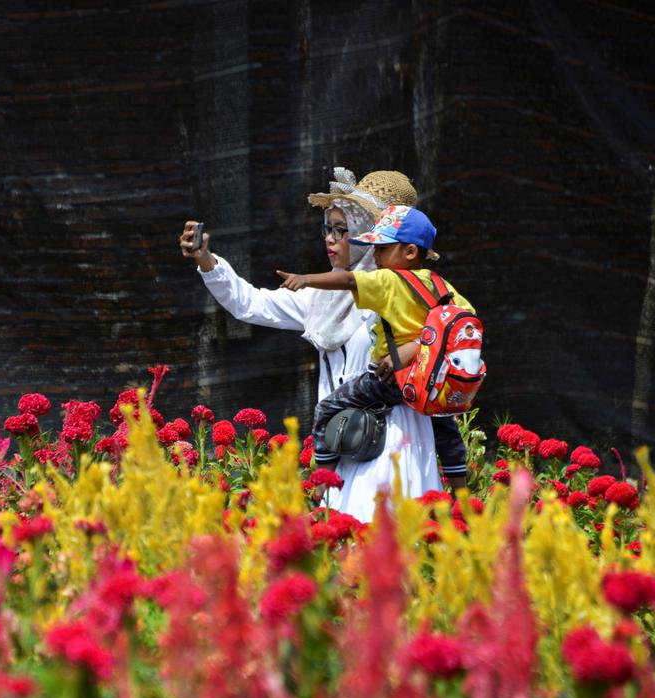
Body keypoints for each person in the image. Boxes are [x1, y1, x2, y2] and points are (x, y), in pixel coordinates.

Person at [179, 169, 440, 521]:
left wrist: (408, 354)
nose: (330, 240)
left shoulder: (405, 294)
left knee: (383, 543)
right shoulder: (321, 298)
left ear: (368, 236)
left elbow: (442, 340)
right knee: (342, 549)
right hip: (344, 439)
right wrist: (205, 260)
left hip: (392, 437)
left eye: (341, 230)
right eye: (327, 229)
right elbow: (250, 304)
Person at [276, 204, 471, 493]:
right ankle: (461, 493)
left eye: (382, 248)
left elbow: (346, 279)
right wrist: (421, 347)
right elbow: (465, 321)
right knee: (445, 429)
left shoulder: (388, 279)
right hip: (430, 380)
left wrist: (306, 280)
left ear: (409, 252)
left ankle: (322, 485)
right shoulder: (440, 285)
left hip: (391, 380)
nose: (375, 255)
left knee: (327, 407)